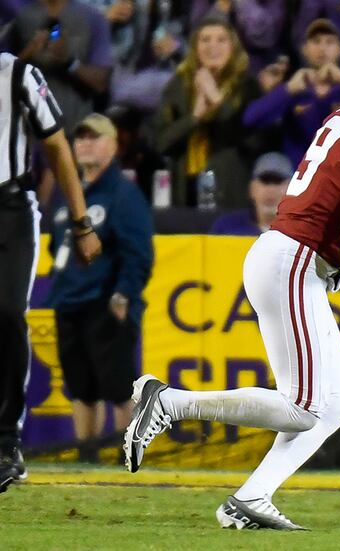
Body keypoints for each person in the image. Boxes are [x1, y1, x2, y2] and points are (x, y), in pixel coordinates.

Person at [124, 27, 340, 530]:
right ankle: (167, 401)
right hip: (294, 259)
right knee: (304, 406)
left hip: (288, 256)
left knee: (336, 401)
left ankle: (252, 497)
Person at [0, 53, 101, 493]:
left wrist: (81, 222)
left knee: (5, 314)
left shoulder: (17, 73)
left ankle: (6, 442)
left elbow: (57, 145)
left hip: (10, 207)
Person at [46, 113, 153, 463]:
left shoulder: (123, 194)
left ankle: (126, 458)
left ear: (113, 144)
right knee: (81, 387)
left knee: (118, 385)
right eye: (80, 138)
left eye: (95, 137)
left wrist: (123, 296)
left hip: (105, 302)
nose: (86, 143)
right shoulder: (69, 192)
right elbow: (55, 246)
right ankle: (86, 457)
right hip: (69, 300)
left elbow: (137, 254)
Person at [154, 17, 264, 208]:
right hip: (183, 194)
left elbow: (251, 141)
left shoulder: (248, 87)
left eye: (221, 40)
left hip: (231, 192)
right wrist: (194, 117)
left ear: (233, 47)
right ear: (195, 47)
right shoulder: (178, 86)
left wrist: (216, 99)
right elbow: (161, 143)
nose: (213, 46)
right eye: (205, 40)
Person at [243, 19, 340, 168]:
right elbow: (250, 118)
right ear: (304, 49)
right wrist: (289, 88)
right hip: (300, 175)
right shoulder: (293, 90)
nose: (322, 48)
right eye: (316, 41)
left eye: (329, 42)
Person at [8, 0, 113, 132]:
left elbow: (101, 82)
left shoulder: (92, 17)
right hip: (25, 132)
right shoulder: (21, 17)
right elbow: (4, 75)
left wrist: (69, 62)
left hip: (74, 130)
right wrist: (28, 54)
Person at [209, 152, 291, 236]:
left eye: (278, 181)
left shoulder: (302, 233)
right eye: (265, 181)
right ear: (252, 189)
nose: (271, 190)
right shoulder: (226, 228)